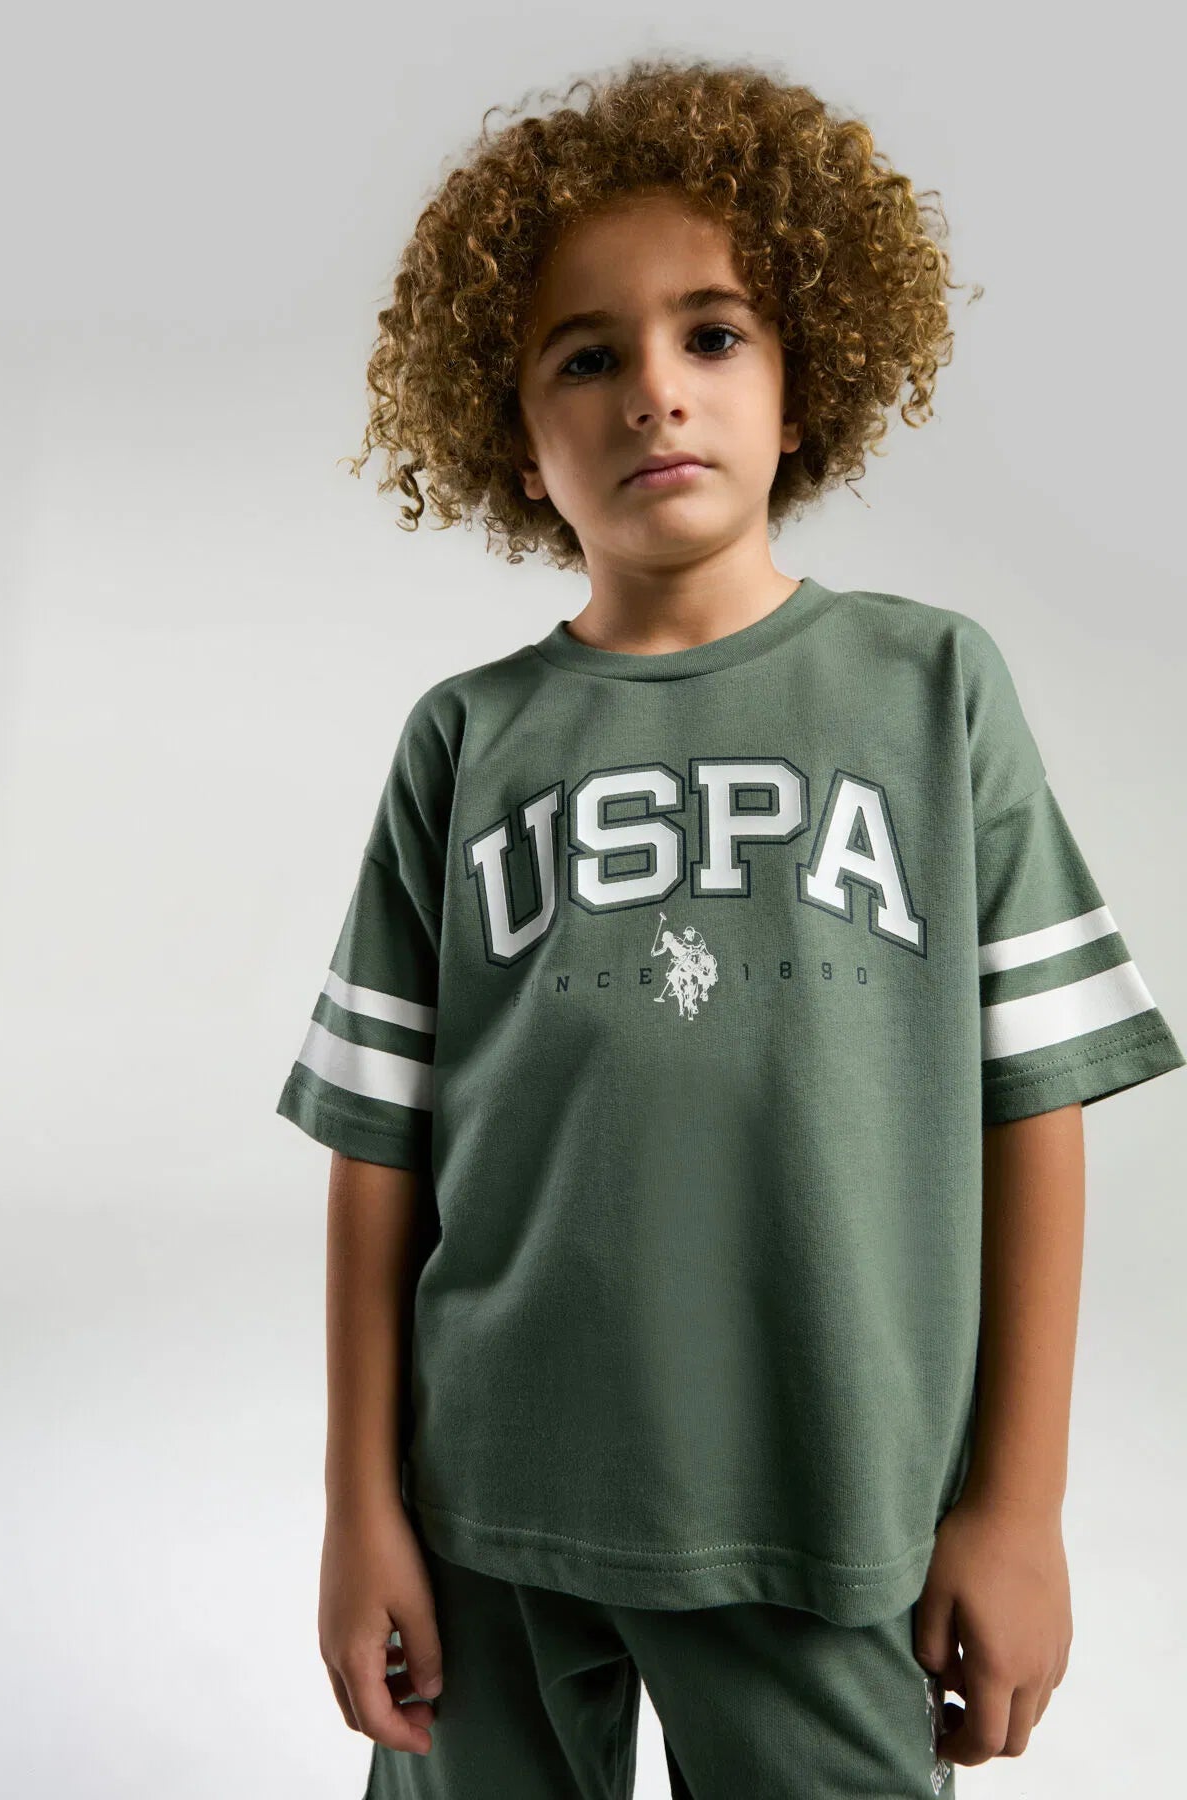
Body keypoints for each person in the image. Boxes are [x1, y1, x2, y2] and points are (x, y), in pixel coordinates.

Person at [275, 55, 1185, 1798]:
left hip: (823, 1499)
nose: (653, 394)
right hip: (484, 1507)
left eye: (712, 334)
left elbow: (1034, 1101)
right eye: (584, 357)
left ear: (800, 377)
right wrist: (356, 1506)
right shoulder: (465, 741)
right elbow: (378, 1145)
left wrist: (1018, 1507)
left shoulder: (932, 691)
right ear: (512, 434)